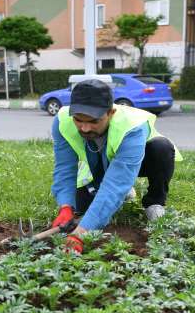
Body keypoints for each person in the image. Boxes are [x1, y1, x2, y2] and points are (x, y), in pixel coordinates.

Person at [50, 79, 182, 254]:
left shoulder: (132, 126)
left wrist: (80, 234)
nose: (85, 128)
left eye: (93, 121)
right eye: (78, 120)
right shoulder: (63, 121)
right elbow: (65, 169)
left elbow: (115, 184)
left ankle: (154, 202)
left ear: (110, 113)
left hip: (140, 161)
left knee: (162, 147)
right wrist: (66, 206)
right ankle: (124, 193)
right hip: (98, 163)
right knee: (82, 206)